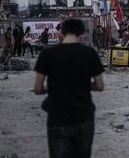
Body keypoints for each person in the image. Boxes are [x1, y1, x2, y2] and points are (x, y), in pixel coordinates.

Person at [33, 18, 104, 158]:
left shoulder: (47, 54)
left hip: (57, 119)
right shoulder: (90, 53)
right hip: (84, 117)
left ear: (61, 33)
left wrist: (55, 87)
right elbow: (100, 86)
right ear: (81, 34)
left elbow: (37, 89)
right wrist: (82, 85)